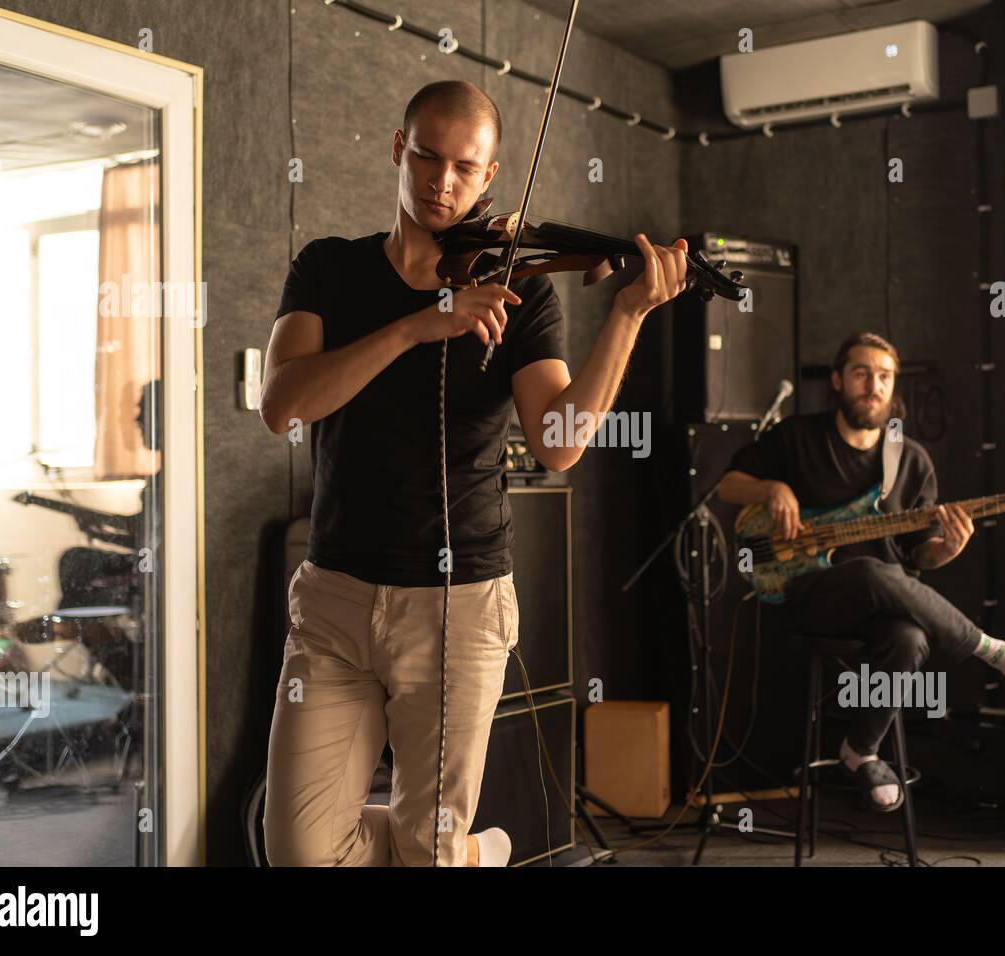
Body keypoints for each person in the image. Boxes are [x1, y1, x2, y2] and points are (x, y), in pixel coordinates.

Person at [258, 80, 689, 865]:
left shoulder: (520, 289)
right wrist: (421, 326)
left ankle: (454, 851)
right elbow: (283, 403)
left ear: (490, 177)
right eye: (426, 157)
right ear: (399, 148)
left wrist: (626, 315)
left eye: (464, 168)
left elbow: (558, 441)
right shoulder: (328, 269)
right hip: (334, 601)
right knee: (297, 851)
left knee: (427, 852)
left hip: (458, 606)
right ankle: (465, 853)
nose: (442, 183)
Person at [717, 331, 1005, 812]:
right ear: (840, 380)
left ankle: (860, 750)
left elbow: (920, 557)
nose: (874, 385)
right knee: (869, 570)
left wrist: (948, 547)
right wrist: (771, 489)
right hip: (806, 593)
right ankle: (1002, 656)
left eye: (884, 376)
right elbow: (726, 486)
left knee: (908, 636)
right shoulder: (796, 437)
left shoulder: (910, 460)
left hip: (885, 599)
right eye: (862, 374)